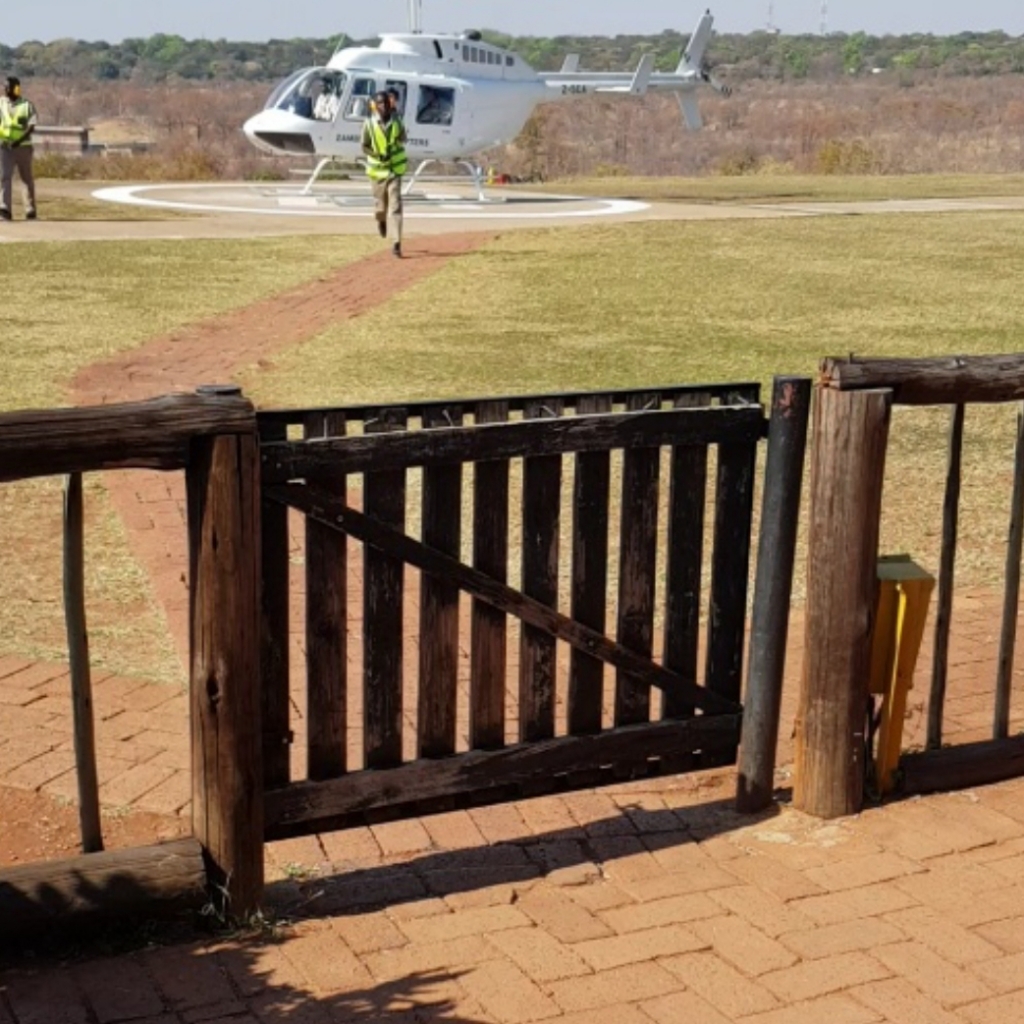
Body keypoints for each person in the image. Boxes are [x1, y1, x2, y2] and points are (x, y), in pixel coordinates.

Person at [361, 90, 407, 257]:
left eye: (386, 102)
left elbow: (403, 138)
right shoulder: (369, 124)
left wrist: (397, 140)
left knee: (395, 207)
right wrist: (377, 155)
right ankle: (381, 221)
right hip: (377, 172)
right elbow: (364, 146)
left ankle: (397, 244)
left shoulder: (397, 121)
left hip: (395, 170)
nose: (384, 106)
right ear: (374, 105)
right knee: (381, 208)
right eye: (379, 103)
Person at [0, 76, 37, 221]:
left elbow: (32, 126)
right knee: (4, 177)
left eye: (8, 87)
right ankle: (4, 209)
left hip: (23, 147)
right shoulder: (1, 103)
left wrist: (18, 141)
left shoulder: (27, 105)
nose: (6, 89)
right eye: (5, 87)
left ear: (16, 88)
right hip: (4, 146)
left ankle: (30, 209)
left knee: (26, 178)